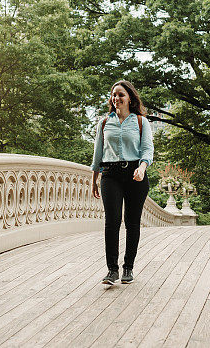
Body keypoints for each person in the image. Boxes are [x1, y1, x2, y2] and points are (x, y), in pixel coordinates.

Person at [91, 80, 154, 285]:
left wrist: (142, 168)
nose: (116, 98)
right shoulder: (103, 123)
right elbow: (98, 155)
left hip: (135, 173)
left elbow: (147, 150)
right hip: (110, 174)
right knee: (112, 221)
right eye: (114, 95)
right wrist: (94, 180)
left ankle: (128, 268)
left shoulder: (140, 122)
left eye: (121, 95)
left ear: (130, 98)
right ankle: (112, 270)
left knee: (132, 222)